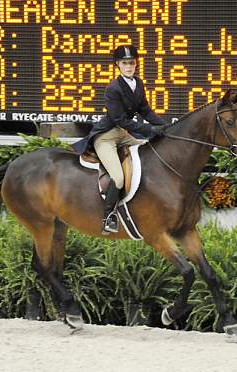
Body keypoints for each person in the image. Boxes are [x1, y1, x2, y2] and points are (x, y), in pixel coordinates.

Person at [71, 45, 166, 235]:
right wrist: (149, 129)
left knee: (150, 154)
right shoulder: (113, 89)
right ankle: (108, 217)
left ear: (136, 64)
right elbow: (119, 120)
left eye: (131, 63)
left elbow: (145, 110)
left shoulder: (138, 83)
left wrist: (164, 126)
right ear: (118, 65)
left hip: (123, 135)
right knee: (118, 177)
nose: (129, 66)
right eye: (125, 63)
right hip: (106, 137)